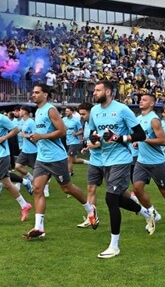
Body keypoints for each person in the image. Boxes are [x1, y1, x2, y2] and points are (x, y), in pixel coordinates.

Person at [23, 83, 98, 242]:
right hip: (42, 158)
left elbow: (62, 131)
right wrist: (36, 137)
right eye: (33, 92)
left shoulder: (51, 109)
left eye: (37, 92)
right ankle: (39, 228)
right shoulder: (38, 111)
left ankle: (90, 210)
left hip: (56, 157)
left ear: (45, 95)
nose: (33, 95)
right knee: (37, 189)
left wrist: (41, 137)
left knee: (66, 188)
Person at [86, 80, 150, 258]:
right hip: (104, 160)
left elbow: (140, 135)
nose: (94, 92)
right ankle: (146, 212)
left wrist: (119, 137)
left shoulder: (122, 109)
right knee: (118, 199)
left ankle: (114, 246)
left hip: (121, 159)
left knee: (110, 198)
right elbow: (92, 135)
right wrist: (95, 137)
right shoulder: (94, 111)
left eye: (98, 90)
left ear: (108, 92)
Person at [0, 96, 32, 226]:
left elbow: (15, 129)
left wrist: (3, 138)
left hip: (2, 155)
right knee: (8, 184)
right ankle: (24, 205)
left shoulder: (1, 118)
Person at [133, 94, 165, 234]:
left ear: (152, 103)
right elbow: (140, 138)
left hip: (157, 162)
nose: (141, 101)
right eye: (141, 99)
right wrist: (137, 142)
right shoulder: (138, 119)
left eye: (145, 100)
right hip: (142, 161)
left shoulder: (154, 120)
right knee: (137, 188)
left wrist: (143, 139)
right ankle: (153, 212)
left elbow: (162, 141)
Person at [76, 102, 104, 228]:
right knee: (90, 189)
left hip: (106, 161)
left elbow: (108, 140)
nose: (82, 116)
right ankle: (91, 218)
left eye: (83, 114)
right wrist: (87, 148)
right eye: (80, 114)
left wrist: (95, 145)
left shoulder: (100, 123)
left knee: (121, 192)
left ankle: (141, 207)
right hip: (94, 161)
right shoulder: (86, 124)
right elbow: (91, 141)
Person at [14, 105, 37, 196]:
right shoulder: (24, 122)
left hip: (33, 150)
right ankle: (30, 178)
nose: (19, 112)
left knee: (37, 169)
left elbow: (36, 135)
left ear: (24, 112)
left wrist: (26, 136)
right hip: (25, 150)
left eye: (20, 110)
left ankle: (42, 187)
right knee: (17, 166)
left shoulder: (31, 122)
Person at [62, 106, 87, 176]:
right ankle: (89, 163)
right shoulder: (64, 119)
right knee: (74, 160)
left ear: (72, 112)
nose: (66, 112)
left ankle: (69, 174)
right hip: (67, 141)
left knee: (69, 158)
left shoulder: (76, 120)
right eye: (65, 111)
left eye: (67, 111)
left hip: (74, 142)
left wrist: (76, 133)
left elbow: (81, 131)